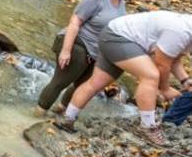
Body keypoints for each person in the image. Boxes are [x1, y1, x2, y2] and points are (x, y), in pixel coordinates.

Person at [59, 10, 192, 145]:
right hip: (118, 38)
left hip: (112, 34)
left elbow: (174, 58)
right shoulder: (181, 32)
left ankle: (67, 119)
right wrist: (165, 89)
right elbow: (162, 64)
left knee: (96, 83)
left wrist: (185, 80)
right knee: (151, 76)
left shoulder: (186, 31)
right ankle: (148, 126)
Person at [34, 0, 142, 117]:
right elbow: (75, 21)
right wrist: (66, 51)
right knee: (60, 82)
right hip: (78, 43)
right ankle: (36, 116)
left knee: (83, 86)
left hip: (97, 51)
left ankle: (59, 112)